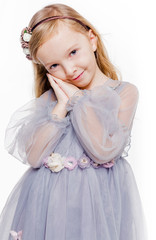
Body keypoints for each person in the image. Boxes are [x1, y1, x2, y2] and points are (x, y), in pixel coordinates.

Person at [0, 3, 147, 240]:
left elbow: (104, 151)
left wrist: (78, 100)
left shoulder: (123, 93)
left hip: (97, 208)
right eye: (54, 65)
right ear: (45, 70)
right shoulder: (50, 100)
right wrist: (59, 107)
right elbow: (34, 157)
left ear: (92, 39)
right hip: (48, 208)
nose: (69, 70)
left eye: (73, 52)